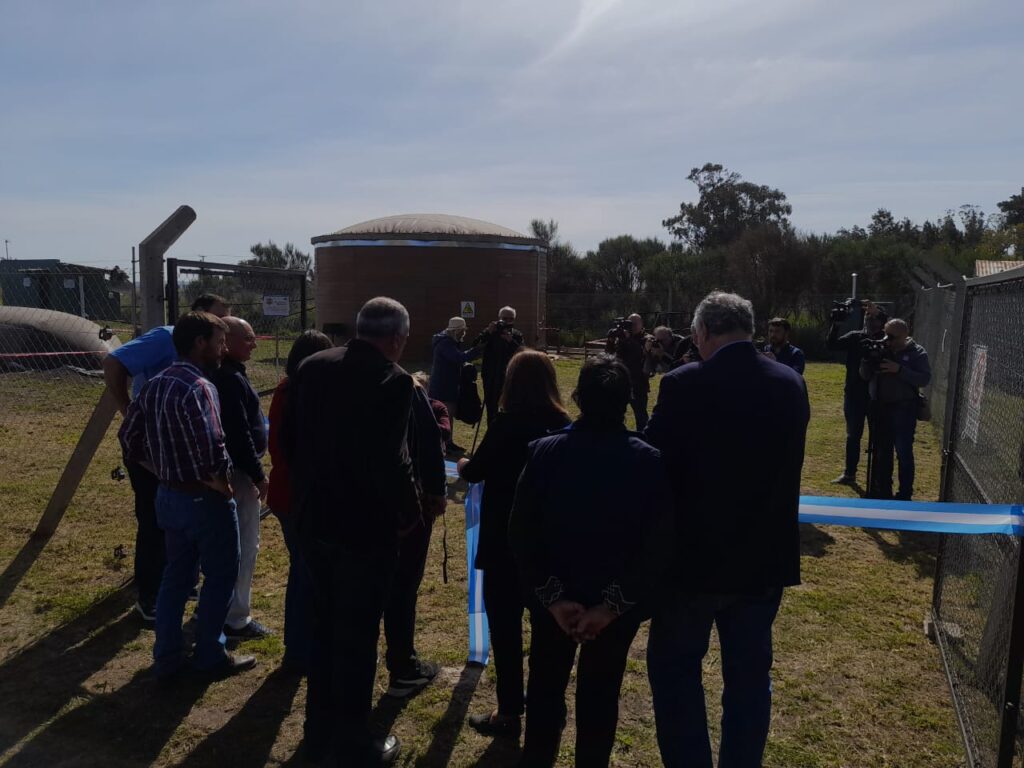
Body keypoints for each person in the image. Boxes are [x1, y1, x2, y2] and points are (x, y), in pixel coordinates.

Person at [644, 292, 809, 768]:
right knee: (750, 679)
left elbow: (657, 463)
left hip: (692, 562)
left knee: (676, 673)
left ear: (700, 333)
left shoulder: (681, 384)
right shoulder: (790, 384)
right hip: (764, 559)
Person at [508, 355, 673, 767]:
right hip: (611, 608)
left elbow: (520, 532)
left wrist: (553, 598)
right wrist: (610, 607)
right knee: (600, 696)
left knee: (545, 691)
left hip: (557, 603)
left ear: (578, 397)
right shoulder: (648, 461)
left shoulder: (544, 453)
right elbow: (656, 546)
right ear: (628, 401)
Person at [285, 297, 421, 767]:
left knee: (324, 626)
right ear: (397, 338)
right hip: (363, 529)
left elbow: (287, 439)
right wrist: (410, 512)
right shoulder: (393, 379)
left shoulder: (313, 365)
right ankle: (353, 740)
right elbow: (393, 458)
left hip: (313, 520)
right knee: (359, 635)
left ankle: (317, 727)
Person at [118, 311, 255, 680]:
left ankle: (166, 656)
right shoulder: (200, 387)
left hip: (168, 498)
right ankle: (210, 654)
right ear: (200, 343)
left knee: (176, 578)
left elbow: (128, 439)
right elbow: (214, 445)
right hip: (204, 500)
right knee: (221, 575)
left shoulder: (154, 384)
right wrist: (223, 483)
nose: (223, 348)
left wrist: (162, 470)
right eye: (219, 341)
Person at [458, 349, 571, 739]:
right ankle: (549, 709)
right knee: (549, 635)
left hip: (504, 543)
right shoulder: (563, 424)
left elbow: (475, 470)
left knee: (506, 632)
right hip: (549, 546)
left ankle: (509, 710)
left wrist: (462, 465)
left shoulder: (505, 425)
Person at [104, 294, 230, 623]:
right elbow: (114, 362)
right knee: (154, 521)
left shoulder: (201, 367)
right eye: (221, 322)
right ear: (200, 324)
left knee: (175, 525)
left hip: (175, 451)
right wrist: (127, 411)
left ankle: (177, 584)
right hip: (154, 449)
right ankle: (150, 595)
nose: (225, 331)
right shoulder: (163, 338)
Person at [267, 329, 334, 673]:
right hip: (301, 497)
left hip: (282, 492)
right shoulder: (309, 394)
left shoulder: (284, 389)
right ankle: (299, 651)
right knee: (308, 576)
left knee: (301, 571)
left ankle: (299, 646)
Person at [382, 373, 448, 698]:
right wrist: (433, 494)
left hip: (352, 508)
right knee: (403, 586)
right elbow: (430, 444)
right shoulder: (410, 391)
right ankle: (402, 666)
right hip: (404, 511)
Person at [210, 317, 270, 640]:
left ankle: (222, 609)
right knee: (245, 543)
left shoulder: (229, 374)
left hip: (234, 470)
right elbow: (238, 434)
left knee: (231, 543)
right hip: (239, 472)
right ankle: (236, 619)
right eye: (248, 338)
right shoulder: (229, 378)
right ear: (228, 341)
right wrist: (258, 474)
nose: (254, 343)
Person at [860, 318, 931, 500]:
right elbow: (864, 375)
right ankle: (883, 490)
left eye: (892, 336)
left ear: (904, 335)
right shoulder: (881, 349)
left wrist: (899, 370)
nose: (887, 339)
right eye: (886, 334)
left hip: (904, 408)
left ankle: (905, 492)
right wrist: (868, 360)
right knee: (882, 451)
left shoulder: (917, 352)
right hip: (880, 406)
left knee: (903, 450)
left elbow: (923, 379)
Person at [827, 302, 887, 485]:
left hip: (878, 395)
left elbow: (897, 332)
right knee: (853, 435)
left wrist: (881, 315)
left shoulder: (886, 340)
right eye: (868, 318)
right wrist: (836, 325)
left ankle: (878, 478)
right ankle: (850, 474)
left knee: (879, 437)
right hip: (854, 394)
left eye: (874, 318)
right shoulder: (855, 337)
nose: (870, 321)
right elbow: (832, 345)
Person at [429, 317, 482, 450]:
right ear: (456, 330)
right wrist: (478, 350)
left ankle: (447, 442)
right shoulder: (445, 343)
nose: (463, 333)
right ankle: (445, 443)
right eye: (462, 331)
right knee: (446, 414)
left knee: (448, 415)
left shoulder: (448, 341)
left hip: (447, 384)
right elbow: (459, 358)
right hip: (443, 385)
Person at [472, 306, 525, 425]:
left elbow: (523, 353)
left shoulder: (517, 335)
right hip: (490, 375)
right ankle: (492, 432)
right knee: (491, 406)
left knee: (509, 405)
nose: (507, 322)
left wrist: (511, 342)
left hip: (510, 375)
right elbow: (475, 346)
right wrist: (488, 332)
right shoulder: (490, 332)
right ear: (499, 318)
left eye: (510, 319)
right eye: (504, 319)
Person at [606, 313, 653, 430]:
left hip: (638, 383)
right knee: (614, 412)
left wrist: (628, 339)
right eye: (629, 323)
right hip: (620, 379)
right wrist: (611, 340)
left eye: (635, 324)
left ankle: (643, 438)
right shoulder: (622, 337)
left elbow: (640, 353)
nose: (632, 326)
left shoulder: (647, 338)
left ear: (642, 324)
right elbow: (609, 354)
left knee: (640, 415)